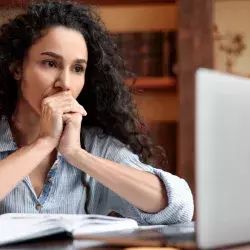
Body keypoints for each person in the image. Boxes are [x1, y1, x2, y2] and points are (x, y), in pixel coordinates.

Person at [0, 0, 193, 225]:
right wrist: (43, 143)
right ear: (17, 69)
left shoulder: (94, 145)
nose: (65, 83)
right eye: (50, 63)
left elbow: (180, 208)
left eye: (77, 69)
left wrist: (77, 154)